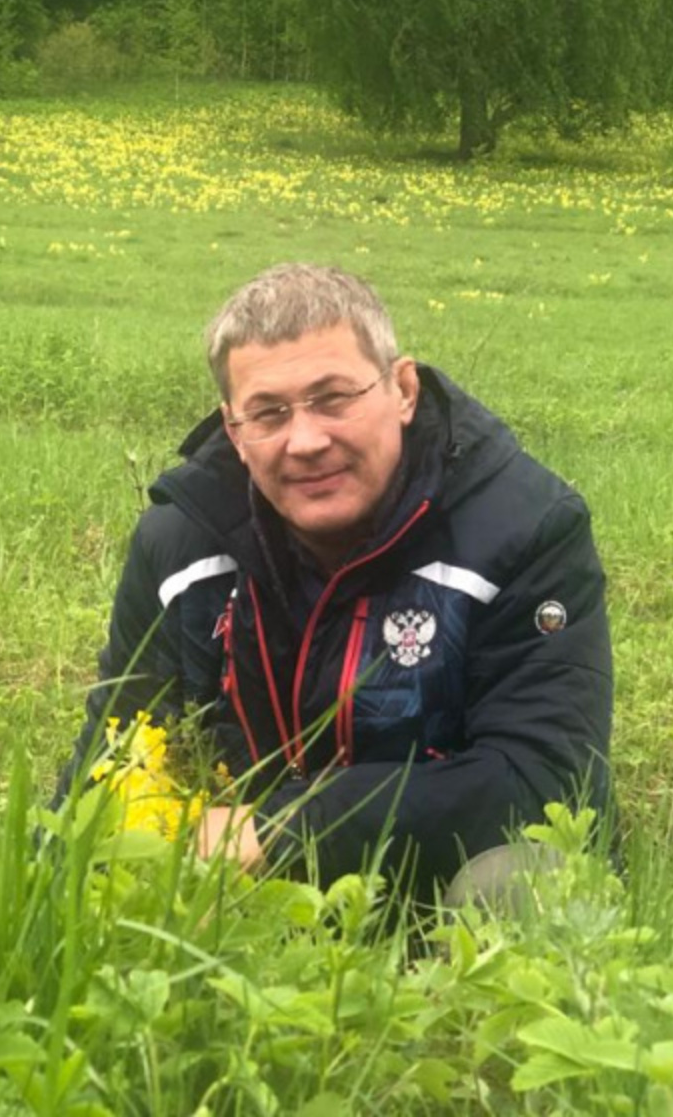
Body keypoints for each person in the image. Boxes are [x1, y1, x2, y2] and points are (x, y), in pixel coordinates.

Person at [57, 263, 613, 902]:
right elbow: (108, 755)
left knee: (516, 889)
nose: (305, 440)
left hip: (439, 884)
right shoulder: (178, 543)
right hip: (250, 899)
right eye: (268, 413)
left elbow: (546, 780)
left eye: (334, 398)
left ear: (403, 389)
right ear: (234, 431)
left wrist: (285, 828)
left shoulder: (526, 529)